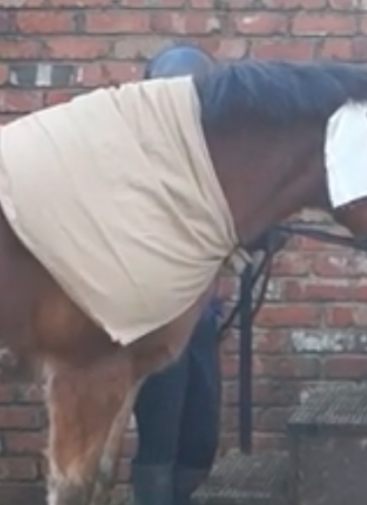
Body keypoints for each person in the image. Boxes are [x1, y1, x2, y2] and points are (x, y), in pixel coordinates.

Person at [129, 44, 224, 505]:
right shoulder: (128, 156)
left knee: (203, 435)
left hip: (200, 312)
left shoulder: (212, 156)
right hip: (152, 314)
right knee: (160, 435)